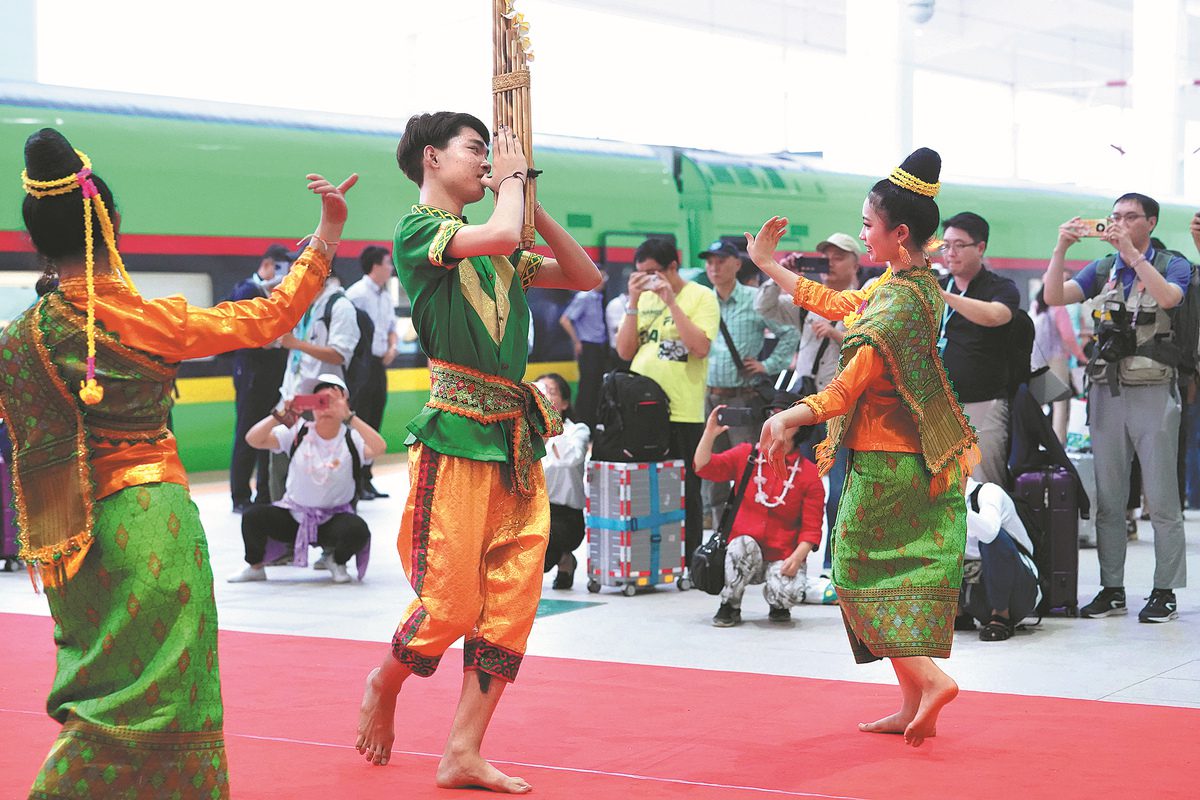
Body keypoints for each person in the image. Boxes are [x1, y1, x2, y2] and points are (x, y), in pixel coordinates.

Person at [0, 127, 354, 798]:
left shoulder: (19, 340)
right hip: (153, 528)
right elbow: (267, 316)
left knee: (93, 694)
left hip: (70, 540)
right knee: (170, 700)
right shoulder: (150, 321)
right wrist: (327, 232)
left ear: (38, 240)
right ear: (111, 228)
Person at [353, 112, 601, 794]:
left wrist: (535, 207)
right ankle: (386, 679)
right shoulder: (419, 230)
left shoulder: (500, 252)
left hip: (512, 440)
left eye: (493, 154)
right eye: (476, 150)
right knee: (452, 604)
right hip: (456, 434)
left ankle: (462, 749)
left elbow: (584, 276)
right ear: (432, 158)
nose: (487, 161)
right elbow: (493, 228)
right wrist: (513, 187)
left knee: (511, 602)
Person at [748, 147, 978, 748]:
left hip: (887, 461)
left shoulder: (897, 300)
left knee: (850, 572)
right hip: (915, 458)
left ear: (899, 233)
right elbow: (838, 303)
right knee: (890, 574)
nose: (860, 232)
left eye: (867, 224)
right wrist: (769, 265)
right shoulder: (913, 283)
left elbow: (844, 389)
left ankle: (930, 680)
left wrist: (787, 418)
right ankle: (912, 698)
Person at [1042, 193, 1189, 623]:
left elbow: (1170, 299)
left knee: (1161, 497)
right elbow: (1054, 296)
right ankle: (1112, 588)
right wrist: (1061, 248)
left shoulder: (1169, 263)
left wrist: (1133, 257)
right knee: (1108, 498)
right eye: (1115, 217)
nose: (1120, 223)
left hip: (1155, 389)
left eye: (1130, 217)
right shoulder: (1103, 269)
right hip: (1107, 390)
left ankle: (1165, 590)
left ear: (1151, 222)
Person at [758, 233, 863, 573]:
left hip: (844, 409)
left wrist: (836, 333)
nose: (829, 263)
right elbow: (766, 308)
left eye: (838, 257)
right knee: (799, 483)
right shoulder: (809, 301)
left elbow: (877, 345)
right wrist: (779, 274)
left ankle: (834, 563)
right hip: (805, 405)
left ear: (855, 263)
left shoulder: (866, 302)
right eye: (824, 257)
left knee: (839, 489)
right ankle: (794, 562)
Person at [615, 237, 720, 563]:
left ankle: (689, 560)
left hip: (682, 411)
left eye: (652, 272)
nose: (647, 280)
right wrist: (633, 300)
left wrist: (671, 302)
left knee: (685, 490)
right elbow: (624, 351)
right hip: (641, 412)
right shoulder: (642, 299)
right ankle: (650, 558)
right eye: (639, 274)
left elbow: (700, 347)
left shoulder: (701, 297)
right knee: (645, 488)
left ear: (672, 267)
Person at [228, 373, 384, 585]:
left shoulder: (351, 437)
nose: (326, 406)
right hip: (294, 516)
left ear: (345, 403)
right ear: (311, 405)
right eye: (320, 401)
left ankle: (336, 561)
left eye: (332, 400)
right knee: (253, 516)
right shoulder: (297, 431)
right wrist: (280, 415)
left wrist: (350, 417)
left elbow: (379, 447)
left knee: (357, 530)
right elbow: (253, 439)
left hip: (333, 520)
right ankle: (255, 567)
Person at [695, 392, 824, 627]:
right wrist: (709, 433)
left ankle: (779, 604)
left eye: (785, 417)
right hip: (745, 553)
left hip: (782, 555)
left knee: (789, 592)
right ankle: (730, 603)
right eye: (772, 415)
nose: (777, 421)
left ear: (799, 425)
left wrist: (797, 559)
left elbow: (812, 529)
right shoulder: (747, 455)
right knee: (741, 545)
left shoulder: (809, 474)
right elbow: (704, 467)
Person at [702, 240, 800, 520]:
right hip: (709, 396)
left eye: (721, 260)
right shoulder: (703, 300)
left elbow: (790, 334)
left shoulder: (753, 299)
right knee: (713, 466)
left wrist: (767, 365)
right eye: (709, 261)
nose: (714, 267)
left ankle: (751, 522)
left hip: (743, 397)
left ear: (736, 263)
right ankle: (720, 527)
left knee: (748, 464)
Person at [937, 212, 1021, 485]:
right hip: (937, 407)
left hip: (982, 403)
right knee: (940, 489)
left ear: (980, 247)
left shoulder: (1000, 287)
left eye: (959, 245)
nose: (950, 252)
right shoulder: (938, 285)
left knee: (984, 490)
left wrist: (945, 298)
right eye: (945, 245)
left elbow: (996, 315)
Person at [228, 243, 292, 513]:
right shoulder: (248, 292)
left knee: (270, 431)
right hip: (252, 373)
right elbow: (251, 335)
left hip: (272, 374)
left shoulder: (273, 295)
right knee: (247, 432)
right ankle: (240, 495)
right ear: (267, 265)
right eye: (280, 268)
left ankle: (264, 493)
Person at [345, 245, 398, 500]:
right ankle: (353, 480)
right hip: (361, 366)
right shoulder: (355, 294)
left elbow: (391, 326)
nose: (390, 268)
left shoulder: (386, 296)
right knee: (359, 419)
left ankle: (367, 478)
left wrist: (393, 346)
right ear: (375, 266)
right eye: (387, 263)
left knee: (374, 418)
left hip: (378, 365)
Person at [959, 477, 1041, 642]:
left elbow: (989, 533)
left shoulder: (989, 492)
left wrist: (956, 508)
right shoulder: (934, 499)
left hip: (1016, 594)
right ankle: (958, 614)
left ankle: (1001, 615)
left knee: (994, 538)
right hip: (974, 592)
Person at [534, 373, 590, 589]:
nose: (546, 397)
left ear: (565, 403)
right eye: (541, 392)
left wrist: (551, 424)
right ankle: (563, 559)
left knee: (542, 550)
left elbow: (569, 459)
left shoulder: (578, 431)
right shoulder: (526, 433)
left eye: (552, 392)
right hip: (533, 511)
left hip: (565, 516)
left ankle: (564, 558)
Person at [1031, 286, 1087, 444]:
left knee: (1037, 402)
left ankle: (1034, 441)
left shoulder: (1037, 305)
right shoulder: (1058, 306)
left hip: (1037, 359)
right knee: (1060, 404)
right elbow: (1068, 336)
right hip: (1057, 358)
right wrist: (1081, 356)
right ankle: (1058, 443)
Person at [558, 274, 609, 428]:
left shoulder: (599, 298)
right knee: (587, 386)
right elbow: (565, 320)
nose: (605, 281)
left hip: (600, 347)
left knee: (597, 386)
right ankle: (582, 422)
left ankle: (593, 422)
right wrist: (577, 341)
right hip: (588, 346)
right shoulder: (584, 297)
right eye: (602, 277)